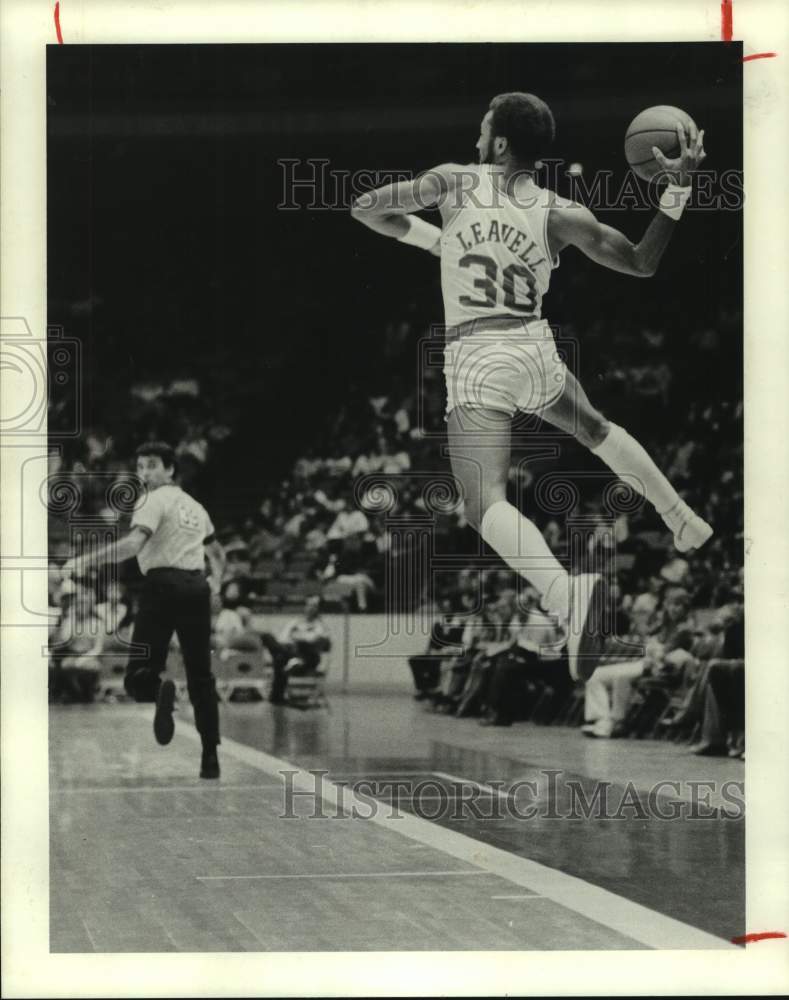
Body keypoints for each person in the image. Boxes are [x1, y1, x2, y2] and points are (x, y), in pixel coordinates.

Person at [351, 92, 712, 679]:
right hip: (534, 345)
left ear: (496, 143)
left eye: (481, 132)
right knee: (596, 428)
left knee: (483, 502)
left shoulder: (453, 181)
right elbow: (643, 263)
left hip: (476, 352)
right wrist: (678, 189)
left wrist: (432, 239)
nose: (474, 142)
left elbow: (366, 207)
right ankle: (680, 516)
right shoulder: (559, 211)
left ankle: (564, 595)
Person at [62, 442, 226, 779]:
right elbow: (219, 555)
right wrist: (218, 586)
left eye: (152, 465)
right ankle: (210, 756)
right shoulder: (196, 507)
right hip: (197, 588)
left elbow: (133, 544)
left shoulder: (151, 500)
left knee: (137, 677)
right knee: (202, 676)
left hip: (161, 586)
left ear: (169, 469)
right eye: (140, 466)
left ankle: (160, 689)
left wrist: (84, 560)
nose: (145, 472)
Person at [260, 595, 331, 704]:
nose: (310, 608)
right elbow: (283, 638)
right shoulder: (295, 622)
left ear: (319, 609)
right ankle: (293, 660)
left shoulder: (321, 626)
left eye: (314, 606)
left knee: (283, 656)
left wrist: (297, 636)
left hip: (309, 657)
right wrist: (296, 638)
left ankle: (277, 696)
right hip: (290, 651)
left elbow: (314, 640)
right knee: (268, 638)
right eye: (308, 605)